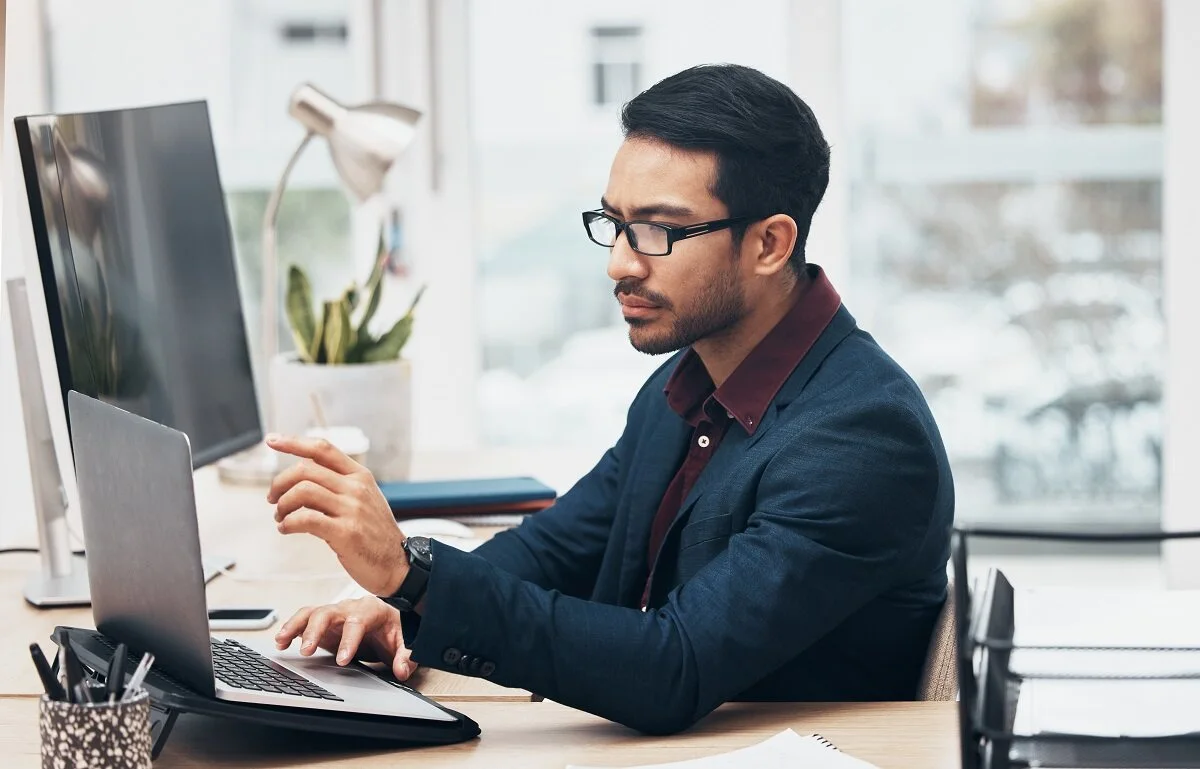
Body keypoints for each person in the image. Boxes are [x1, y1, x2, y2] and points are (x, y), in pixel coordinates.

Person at [266, 63, 954, 736]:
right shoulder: (687, 381)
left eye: (659, 230)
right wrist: (401, 598)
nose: (620, 262)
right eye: (615, 223)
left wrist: (415, 576)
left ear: (770, 243)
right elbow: (556, 548)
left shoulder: (862, 439)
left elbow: (672, 664)